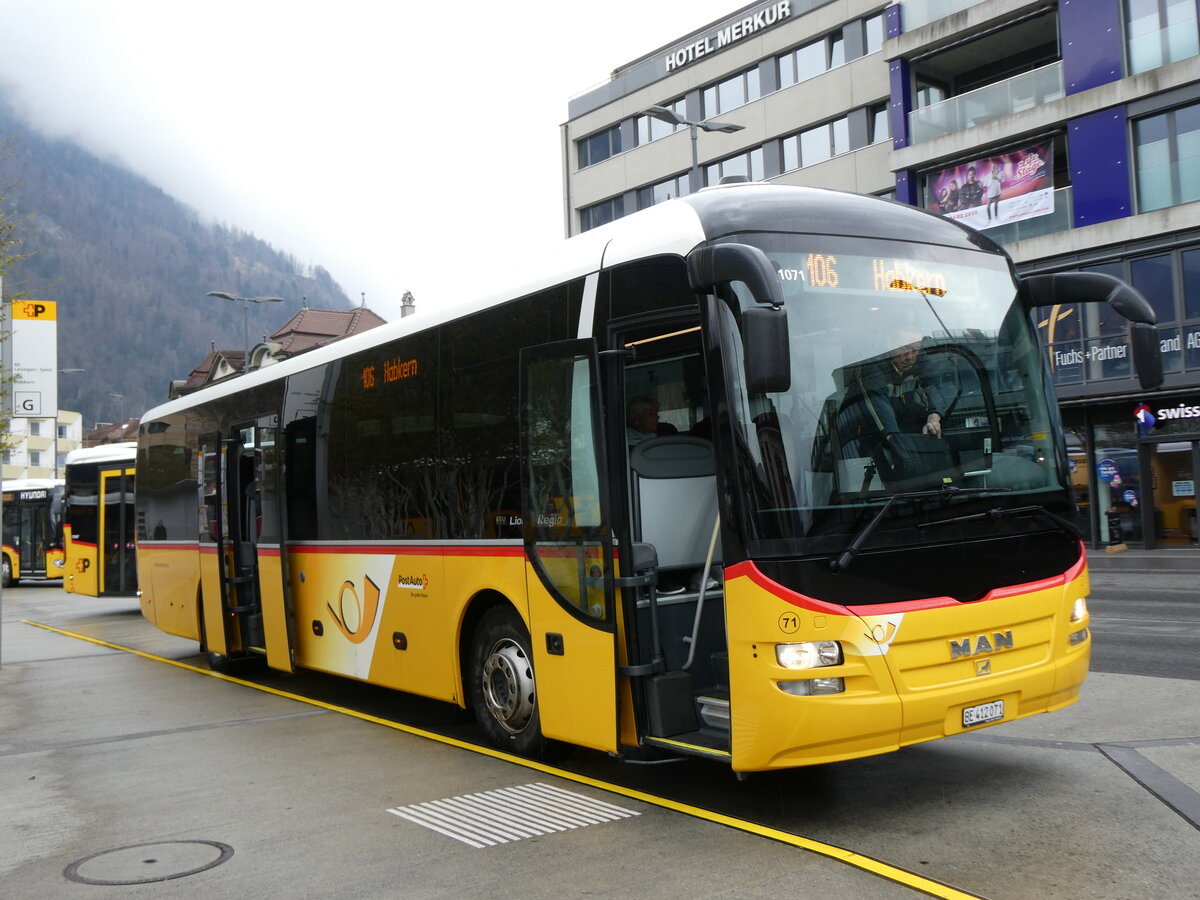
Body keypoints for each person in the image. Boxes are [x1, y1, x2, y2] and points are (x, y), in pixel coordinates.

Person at [854, 332, 949, 440]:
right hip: (863, 432)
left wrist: (933, 419)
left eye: (915, 350)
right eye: (904, 348)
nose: (910, 357)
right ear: (890, 345)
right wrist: (895, 440)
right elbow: (879, 405)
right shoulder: (872, 367)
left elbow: (933, 387)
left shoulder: (920, 359)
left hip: (901, 425)